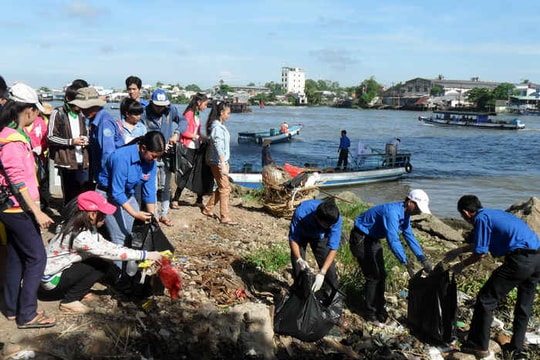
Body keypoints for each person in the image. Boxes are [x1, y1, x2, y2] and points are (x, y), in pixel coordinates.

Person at [444, 195, 540, 359]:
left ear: (466, 213)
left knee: (486, 299)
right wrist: (459, 251)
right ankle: (515, 349)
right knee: (524, 304)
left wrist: (461, 265)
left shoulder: (481, 219)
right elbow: (482, 243)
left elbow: (480, 252)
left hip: (520, 260)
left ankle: (478, 346)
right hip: (537, 258)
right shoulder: (493, 214)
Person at [40, 191, 162, 314]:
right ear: (92, 215)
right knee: (101, 264)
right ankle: (69, 301)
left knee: (99, 262)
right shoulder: (80, 236)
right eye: (103, 215)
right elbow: (108, 252)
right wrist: (146, 255)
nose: (105, 218)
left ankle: (78, 290)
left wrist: (139, 253)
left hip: (57, 271)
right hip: (51, 281)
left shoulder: (80, 226)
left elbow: (106, 245)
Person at [0, 83, 56, 329]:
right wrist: (37, 211)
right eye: (36, 111)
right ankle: (28, 314)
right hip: (17, 208)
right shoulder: (11, 139)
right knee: (37, 258)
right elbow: (16, 179)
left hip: (15, 207)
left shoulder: (14, 134)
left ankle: (11, 308)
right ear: (28, 110)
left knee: (15, 256)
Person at [349, 189, 432, 324]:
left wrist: (423, 258)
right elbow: (393, 240)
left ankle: (379, 307)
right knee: (373, 276)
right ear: (410, 202)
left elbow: (408, 235)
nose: (419, 212)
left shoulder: (405, 214)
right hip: (361, 238)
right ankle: (370, 313)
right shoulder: (392, 213)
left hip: (373, 239)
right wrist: (405, 263)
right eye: (418, 208)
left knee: (382, 275)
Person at [96, 131, 164, 269]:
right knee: (119, 236)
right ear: (143, 148)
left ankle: (129, 268)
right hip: (107, 195)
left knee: (131, 234)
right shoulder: (121, 157)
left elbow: (149, 191)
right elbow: (116, 192)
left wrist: (152, 216)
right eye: (153, 156)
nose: (155, 160)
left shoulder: (151, 162)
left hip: (127, 195)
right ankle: (118, 275)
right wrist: (134, 213)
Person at [140, 89, 182, 226]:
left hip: (166, 156)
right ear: (151, 102)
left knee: (166, 186)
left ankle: (164, 214)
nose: (160, 108)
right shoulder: (144, 113)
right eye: (157, 105)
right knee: (151, 186)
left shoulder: (171, 110)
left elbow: (183, 121)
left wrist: (177, 133)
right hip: (150, 156)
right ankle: (154, 215)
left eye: (162, 105)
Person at [288, 197, 342, 300]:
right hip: (302, 233)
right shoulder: (302, 212)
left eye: (329, 226)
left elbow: (333, 248)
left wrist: (322, 272)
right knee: (298, 268)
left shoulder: (335, 218)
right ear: (317, 217)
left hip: (319, 237)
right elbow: (293, 239)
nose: (328, 227)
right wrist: (299, 259)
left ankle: (328, 297)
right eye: (326, 225)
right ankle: (301, 296)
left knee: (330, 271)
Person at [70, 87, 124, 186]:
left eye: (87, 108)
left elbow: (108, 153)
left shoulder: (104, 122)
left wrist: (104, 178)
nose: (83, 111)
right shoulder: (94, 121)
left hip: (110, 174)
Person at [48, 83, 91, 206]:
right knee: (69, 194)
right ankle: (68, 221)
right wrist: (71, 141)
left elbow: (86, 132)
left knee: (83, 193)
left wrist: (86, 140)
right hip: (67, 162)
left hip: (82, 160)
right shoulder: (58, 113)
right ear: (68, 99)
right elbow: (51, 137)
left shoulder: (82, 115)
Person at [201, 101, 237, 225]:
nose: (229, 116)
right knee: (225, 188)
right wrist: (222, 162)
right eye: (228, 113)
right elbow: (217, 144)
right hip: (217, 162)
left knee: (223, 187)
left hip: (219, 161)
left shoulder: (218, 125)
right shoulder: (217, 127)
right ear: (221, 112)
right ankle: (224, 216)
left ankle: (208, 208)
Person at [171, 93, 209, 209]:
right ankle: (176, 198)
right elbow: (183, 131)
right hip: (188, 147)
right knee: (185, 174)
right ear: (199, 103)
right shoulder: (189, 114)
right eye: (205, 104)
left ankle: (199, 199)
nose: (206, 107)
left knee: (199, 172)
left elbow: (196, 131)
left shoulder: (197, 114)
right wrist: (195, 137)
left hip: (196, 146)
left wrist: (203, 137)